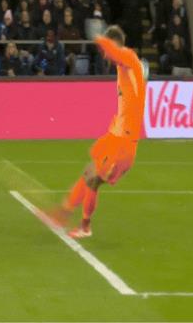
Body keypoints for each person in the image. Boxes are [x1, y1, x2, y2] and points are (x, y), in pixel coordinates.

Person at [52, 26, 147, 238]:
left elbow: (114, 52)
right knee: (89, 172)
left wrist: (98, 38)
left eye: (106, 49)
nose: (104, 55)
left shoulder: (129, 58)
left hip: (124, 142)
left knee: (93, 179)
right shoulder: (125, 66)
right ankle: (64, 213)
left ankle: (84, 226)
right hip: (117, 136)